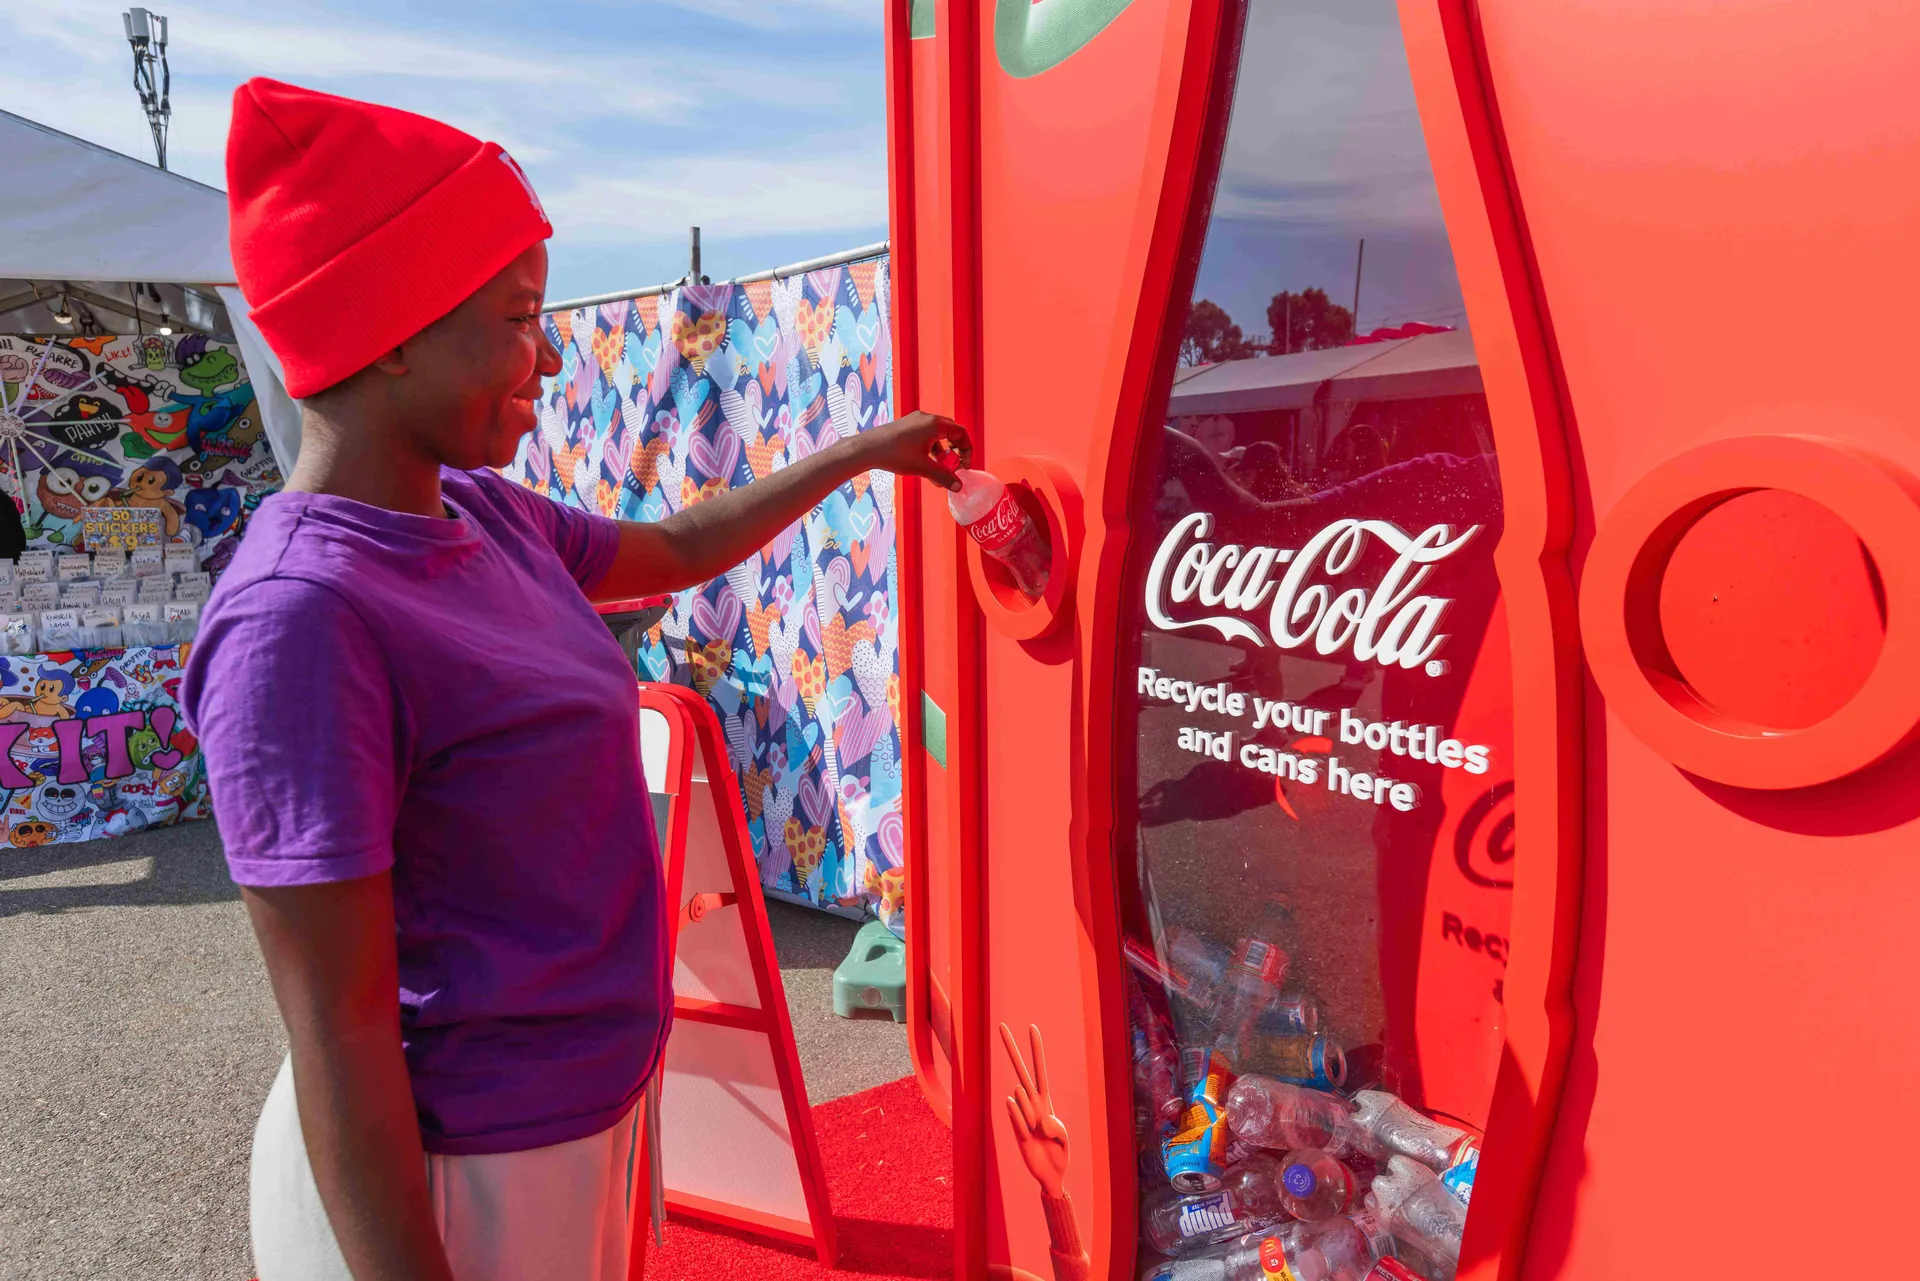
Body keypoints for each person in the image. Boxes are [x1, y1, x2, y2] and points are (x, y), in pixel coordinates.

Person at [182, 79, 969, 1281]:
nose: (546, 357)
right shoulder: (303, 618)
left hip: (576, 1125)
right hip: (458, 1177)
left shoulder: (486, 515)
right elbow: (340, 1031)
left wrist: (866, 450)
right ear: (386, 328)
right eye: (516, 316)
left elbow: (684, 546)